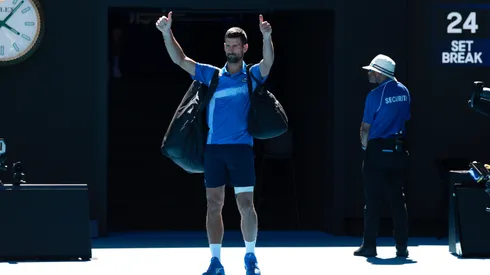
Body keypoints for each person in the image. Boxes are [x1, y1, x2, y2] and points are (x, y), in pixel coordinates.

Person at [156, 11, 274, 275]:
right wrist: (167, 33)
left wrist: (267, 36)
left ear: (244, 48)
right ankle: (216, 261)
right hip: (214, 151)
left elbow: (268, 62)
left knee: (246, 205)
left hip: (242, 149)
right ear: (224, 47)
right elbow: (180, 59)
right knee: (213, 205)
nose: (231, 49)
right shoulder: (211, 75)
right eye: (227, 45)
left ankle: (251, 257)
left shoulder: (252, 75)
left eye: (236, 45)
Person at [355, 54, 411, 258]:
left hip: (377, 151)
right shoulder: (404, 91)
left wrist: (365, 149)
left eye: (371, 70)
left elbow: (365, 128)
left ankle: (369, 246)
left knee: (373, 201)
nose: (369, 73)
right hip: (397, 151)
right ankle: (402, 247)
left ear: (379, 73)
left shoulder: (374, 95)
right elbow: (405, 119)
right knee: (398, 200)